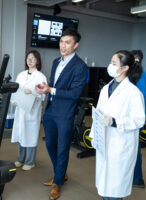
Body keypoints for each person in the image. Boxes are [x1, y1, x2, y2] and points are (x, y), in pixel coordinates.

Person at [35, 28, 88, 200]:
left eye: (67, 42)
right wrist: (46, 90)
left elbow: (74, 93)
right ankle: (61, 173)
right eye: (61, 41)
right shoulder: (56, 61)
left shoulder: (80, 66)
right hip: (51, 110)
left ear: (75, 45)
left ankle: (58, 182)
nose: (63, 46)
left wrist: (52, 89)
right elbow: (54, 85)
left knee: (63, 148)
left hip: (65, 113)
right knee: (50, 144)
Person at [89, 50, 145, 200]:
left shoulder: (133, 93)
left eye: (114, 63)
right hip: (105, 143)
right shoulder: (106, 88)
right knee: (105, 187)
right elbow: (98, 115)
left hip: (121, 146)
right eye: (110, 62)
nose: (110, 66)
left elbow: (139, 120)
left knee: (114, 191)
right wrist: (94, 136)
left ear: (125, 68)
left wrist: (115, 121)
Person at [11, 50, 47, 171]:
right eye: (28, 59)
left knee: (30, 136)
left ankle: (30, 161)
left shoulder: (41, 77)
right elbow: (15, 90)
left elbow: (43, 96)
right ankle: (20, 159)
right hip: (21, 109)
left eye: (33, 59)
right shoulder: (21, 75)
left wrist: (32, 92)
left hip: (32, 111)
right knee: (21, 134)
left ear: (37, 61)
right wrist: (14, 100)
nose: (30, 61)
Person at [131, 50, 146, 188]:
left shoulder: (141, 79)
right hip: (133, 119)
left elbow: (139, 101)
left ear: (136, 61)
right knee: (133, 149)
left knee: (134, 149)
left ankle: (138, 179)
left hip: (135, 120)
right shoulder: (136, 75)